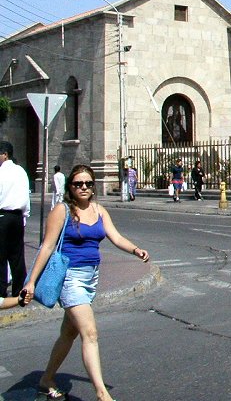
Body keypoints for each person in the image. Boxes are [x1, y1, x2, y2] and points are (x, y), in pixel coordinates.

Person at [26, 164, 150, 401]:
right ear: (70, 187)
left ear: (93, 186)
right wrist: (31, 281)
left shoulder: (99, 210)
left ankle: (46, 378)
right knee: (90, 333)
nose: (83, 187)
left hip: (91, 278)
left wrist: (135, 249)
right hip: (69, 278)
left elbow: (115, 237)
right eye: (78, 184)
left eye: (88, 184)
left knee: (68, 334)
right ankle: (101, 394)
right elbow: (48, 246)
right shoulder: (61, 211)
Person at [0, 140, 31, 299]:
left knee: (1, 255)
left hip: (3, 216)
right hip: (18, 217)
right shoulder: (21, 171)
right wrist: (24, 215)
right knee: (17, 255)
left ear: (5, 155)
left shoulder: (1, 172)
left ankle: (1, 290)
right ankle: (19, 289)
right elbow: (26, 195)